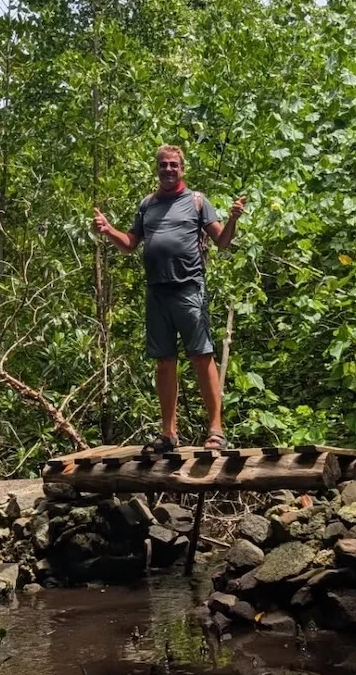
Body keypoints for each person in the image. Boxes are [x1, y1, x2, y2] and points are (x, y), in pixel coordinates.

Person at [92, 144, 246, 452]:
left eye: (174, 165)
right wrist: (109, 230)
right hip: (157, 292)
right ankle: (168, 434)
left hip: (189, 288)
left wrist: (233, 218)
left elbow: (223, 242)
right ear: (157, 168)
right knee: (164, 361)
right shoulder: (148, 204)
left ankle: (215, 429)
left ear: (182, 169)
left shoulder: (197, 201)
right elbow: (130, 244)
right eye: (163, 165)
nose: (168, 170)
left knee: (201, 356)